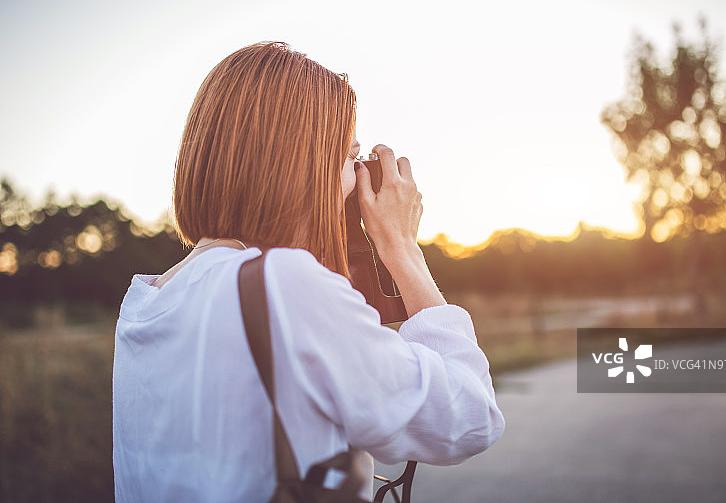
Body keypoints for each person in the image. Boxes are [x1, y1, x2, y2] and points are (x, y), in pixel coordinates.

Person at [112, 41, 505, 502]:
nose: (354, 179)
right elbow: (466, 418)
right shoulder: (283, 287)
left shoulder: (145, 303)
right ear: (303, 163)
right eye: (348, 157)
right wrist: (401, 247)